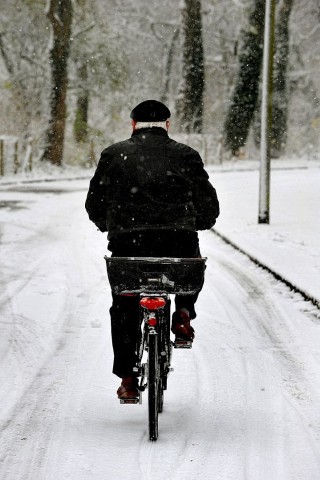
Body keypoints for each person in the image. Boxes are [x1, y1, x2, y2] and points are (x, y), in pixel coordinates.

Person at [85, 100, 220, 399]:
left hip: (128, 246)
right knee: (190, 265)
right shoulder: (186, 155)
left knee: (123, 306)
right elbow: (209, 204)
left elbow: (94, 202)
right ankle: (183, 312)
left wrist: (105, 223)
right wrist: (200, 222)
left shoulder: (114, 154)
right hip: (177, 242)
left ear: (133, 125)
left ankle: (128, 379)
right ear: (167, 124)